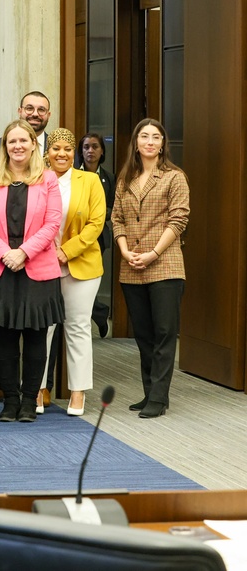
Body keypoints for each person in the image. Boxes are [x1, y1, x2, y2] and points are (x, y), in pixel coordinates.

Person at [0, 119, 64, 423]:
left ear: (32, 145)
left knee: (37, 338)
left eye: (23, 141)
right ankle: (10, 401)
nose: (17, 146)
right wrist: (5, 254)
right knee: (6, 339)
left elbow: (53, 223)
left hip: (37, 268)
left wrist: (24, 252)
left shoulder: (48, 179)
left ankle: (29, 402)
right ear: (5, 146)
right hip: (1, 268)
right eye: (12, 141)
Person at [112, 118, 189, 419]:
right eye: (144, 136)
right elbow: (116, 218)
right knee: (143, 335)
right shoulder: (125, 178)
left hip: (166, 265)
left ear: (162, 144)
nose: (150, 142)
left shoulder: (174, 177)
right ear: (136, 142)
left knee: (165, 332)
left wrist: (154, 253)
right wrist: (124, 250)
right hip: (131, 266)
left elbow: (179, 220)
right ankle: (149, 392)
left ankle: (159, 396)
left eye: (156, 137)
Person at [39, 129, 106, 416]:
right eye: (56, 148)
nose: (62, 153)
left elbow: (96, 223)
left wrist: (67, 251)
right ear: (47, 153)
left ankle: (77, 392)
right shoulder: (36, 179)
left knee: (78, 327)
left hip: (81, 265)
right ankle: (38, 388)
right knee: (41, 329)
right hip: (42, 265)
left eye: (68, 148)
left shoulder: (89, 180)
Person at [77, 132, 115, 337]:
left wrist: (96, 214)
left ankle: (96, 312)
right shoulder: (73, 173)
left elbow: (113, 208)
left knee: (87, 283)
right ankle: (99, 312)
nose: (90, 151)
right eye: (86, 147)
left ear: (102, 151)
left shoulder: (108, 178)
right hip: (73, 238)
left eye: (94, 147)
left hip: (98, 238)